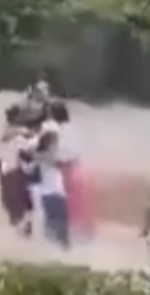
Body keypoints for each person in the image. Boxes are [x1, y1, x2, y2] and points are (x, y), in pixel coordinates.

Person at [48, 100, 94, 240]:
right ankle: (84, 232)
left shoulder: (58, 132)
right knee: (79, 204)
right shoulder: (73, 129)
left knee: (65, 204)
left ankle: (66, 235)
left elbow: (59, 154)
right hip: (76, 167)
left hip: (66, 169)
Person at [0, 105, 33, 236]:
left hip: (4, 170)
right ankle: (23, 231)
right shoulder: (20, 135)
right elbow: (27, 153)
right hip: (15, 171)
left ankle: (18, 232)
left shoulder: (6, 132)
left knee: (12, 203)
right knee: (23, 202)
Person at [35, 128, 69, 248]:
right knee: (61, 224)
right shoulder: (48, 156)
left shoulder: (40, 155)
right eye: (55, 142)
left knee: (52, 223)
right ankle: (63, 248)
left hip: (47, 193)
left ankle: (53, 249)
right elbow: (60, 163)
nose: (57, 145)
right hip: (55, 193)